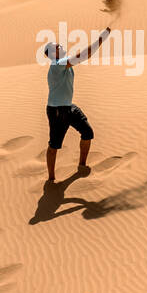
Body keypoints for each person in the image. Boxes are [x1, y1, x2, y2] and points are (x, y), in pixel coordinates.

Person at [43, 28, 111, 181]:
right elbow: (83, 56)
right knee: (54, 145)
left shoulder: (63, 64)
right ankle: (51, 179)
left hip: (68, 107)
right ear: (53, 53)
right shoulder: (57, 64)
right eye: (57, 46)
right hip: (57, 111)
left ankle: (82, 165)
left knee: (87, 132)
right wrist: (101, 38)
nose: (61, 45)